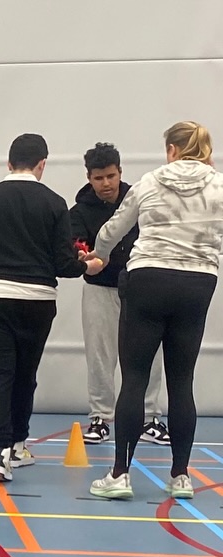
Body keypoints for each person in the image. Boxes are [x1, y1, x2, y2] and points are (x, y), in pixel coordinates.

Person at [85, 121, 223, 501]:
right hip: (198, 283)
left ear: (172, 151)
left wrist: (99, 255)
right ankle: (181, 476)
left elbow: (112, 229)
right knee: (182, 381)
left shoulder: (150, 181)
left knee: (134, 378)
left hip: (148, 280)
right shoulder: (219, 185)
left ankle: (120, 475)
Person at [0, 133, 82, 483]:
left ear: (8, 163)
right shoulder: (56, 203)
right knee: (26, 372)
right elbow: (63, 264)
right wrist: (87, 265)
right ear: (42, 164)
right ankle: (19, 444)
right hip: (38, 300)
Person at [69, 143, 165, 445]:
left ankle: (149, 417)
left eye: (111, 176)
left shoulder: (140, 201)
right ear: (89, 177)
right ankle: (100, 417)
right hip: (99, 291)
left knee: (150, 353)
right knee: (100, 355)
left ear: (120, 172)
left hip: (140, 289)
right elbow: (76, 247)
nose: (106, 183)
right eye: (99, 178)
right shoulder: (78, 212)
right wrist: (86, 261)